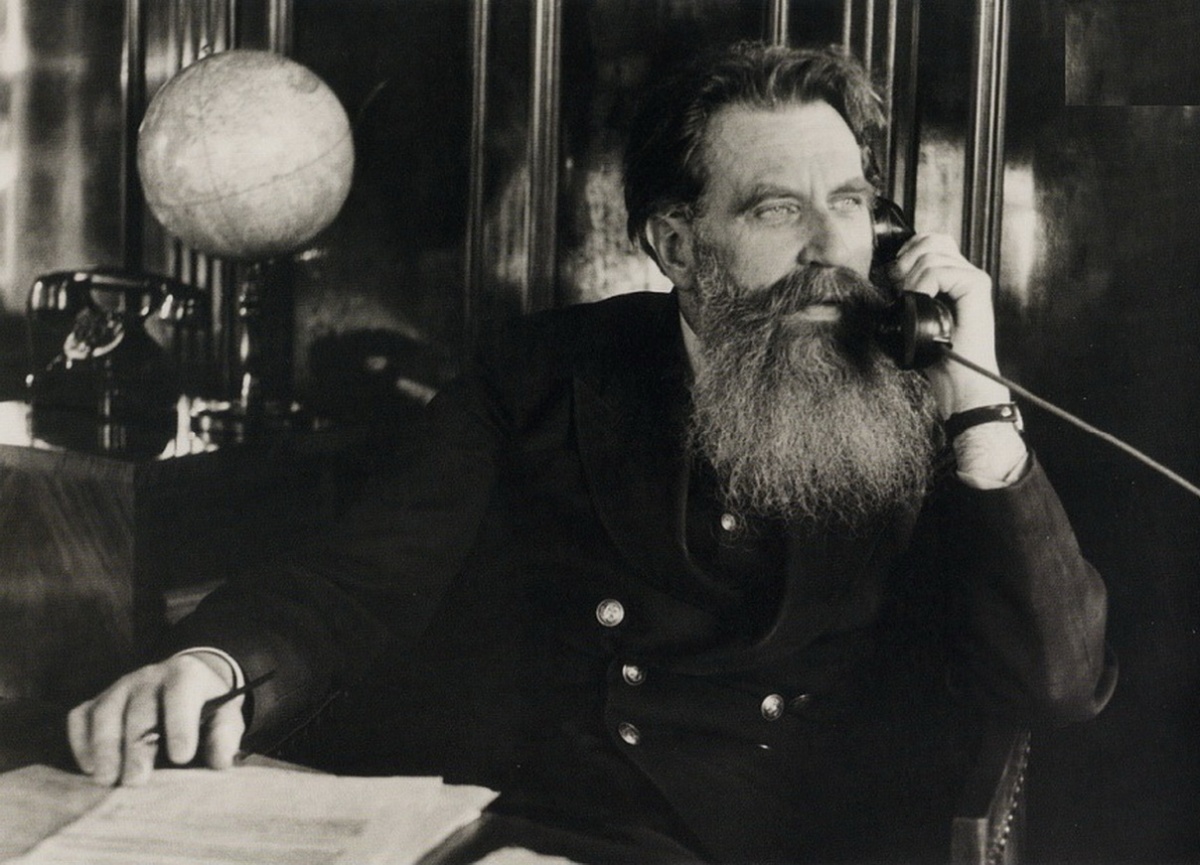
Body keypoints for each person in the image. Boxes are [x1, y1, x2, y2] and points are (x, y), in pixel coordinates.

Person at [68, 41, 1116, 863]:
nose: (828, 248)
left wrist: (981, 413)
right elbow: (361, 578)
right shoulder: (539, 373)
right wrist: (213, 664)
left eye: (848, 203)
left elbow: (1058, 687)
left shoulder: (925, 396)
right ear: (675, 243)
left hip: (790, 840)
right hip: (557, 831)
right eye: (776, 208)